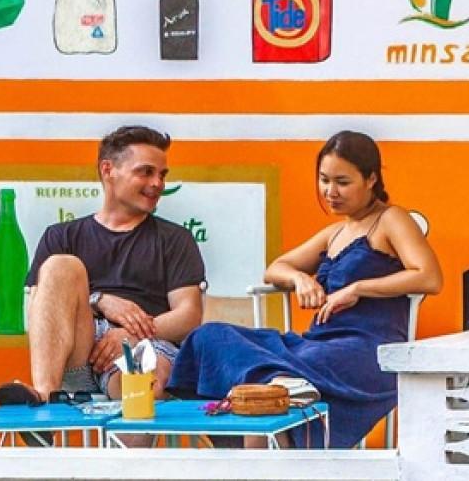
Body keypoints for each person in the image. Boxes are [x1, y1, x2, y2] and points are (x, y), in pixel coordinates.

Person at [167, 131, 442, 448]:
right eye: (324, 180)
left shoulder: (391, 219)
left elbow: (429, 277)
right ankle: (277, 388)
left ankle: (278, 391)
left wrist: (357, 288)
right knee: (209, 335)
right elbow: (275, 268)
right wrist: (301, 279)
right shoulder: (335, 232)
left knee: (288, 373)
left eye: (342, 182)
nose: (330, 192)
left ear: (371, 179)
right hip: (314, 346)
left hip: (364, 350)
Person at [0, 126, 205, 409]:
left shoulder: (175, 238)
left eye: (162, 174)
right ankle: (44, 397)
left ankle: (130, 437)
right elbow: (39, 309)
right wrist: (99, 300)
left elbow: (189, 315)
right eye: (145, 172)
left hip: (145, 344)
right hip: (77, 347)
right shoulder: (61, 235)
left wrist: (132, 335)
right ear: (108, 170)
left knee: (146, 379)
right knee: (61, 265)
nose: (157, 183)